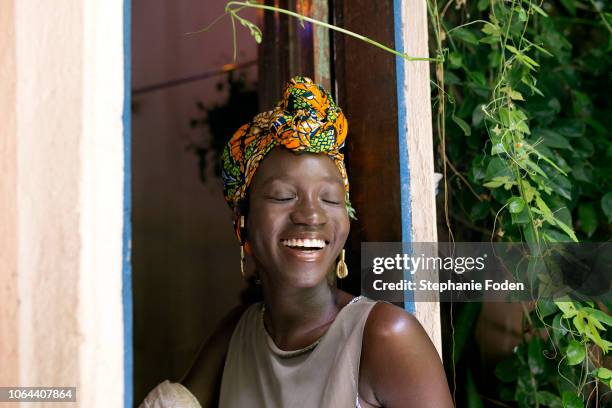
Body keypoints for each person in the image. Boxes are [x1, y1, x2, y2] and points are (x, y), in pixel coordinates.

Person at [140, 77, 453, 408]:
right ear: (242, 223)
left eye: (331, 200)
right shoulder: (234, 335)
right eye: (283, 196)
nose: (311, 215)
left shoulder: (385, 338)